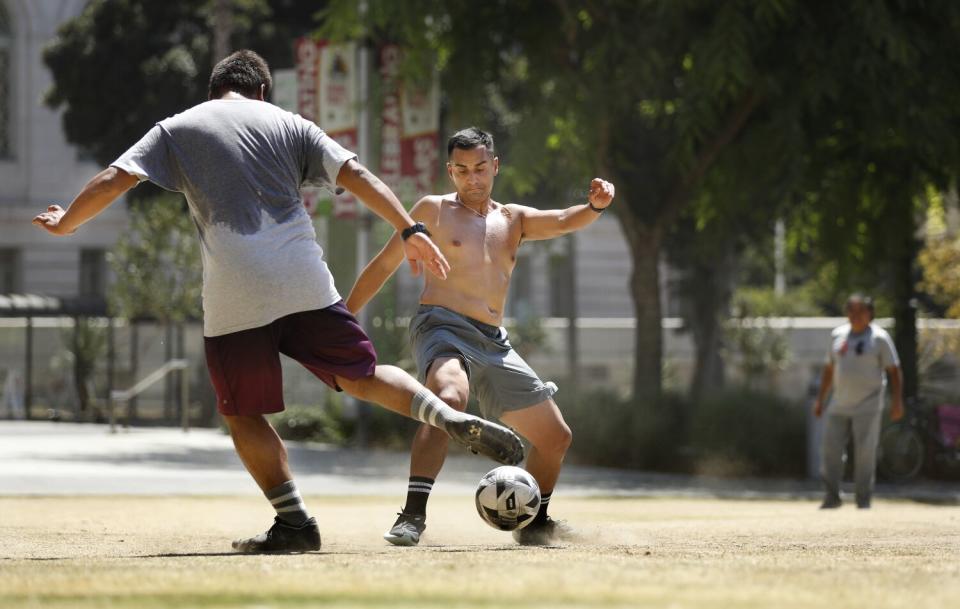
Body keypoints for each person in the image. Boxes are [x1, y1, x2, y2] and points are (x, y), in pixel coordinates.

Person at [32, 51, 523, 553]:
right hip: (303, 278)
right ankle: (445, 415)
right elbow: (358, 176)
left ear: (215, 89)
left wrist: (68, 221)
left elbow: (118, 177)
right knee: (361, 374)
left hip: (234, 293)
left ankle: (295, 523)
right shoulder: (291, 124)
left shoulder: (178, 126)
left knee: (243, 413)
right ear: (261, 91)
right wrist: (410, 228)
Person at [346, 127, 615, 546]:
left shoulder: (514, 219)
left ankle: (535, 522)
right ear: (450, 171)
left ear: (495, 166)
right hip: (441, 326)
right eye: (462, 170)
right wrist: (344, 317)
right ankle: (412, 516)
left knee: (556, 437)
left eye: (481, 169)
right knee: (448, 400)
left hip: (494, 342)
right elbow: (383, 266)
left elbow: (564, 220)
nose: (472, 178)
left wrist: (595, 206)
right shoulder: (431, 210)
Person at [813, 294, 903, 509]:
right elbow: (828, 369)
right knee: (830, 449)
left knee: (865, 452)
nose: (855, 315)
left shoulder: (879, 338)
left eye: (860, 311)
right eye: (851, 311)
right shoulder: (838, 335)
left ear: (870, 313)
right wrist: (820, 399)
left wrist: (897, 401)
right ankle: (832, 496)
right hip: (839, 403)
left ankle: (863, 499)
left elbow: (894, 371)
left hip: (868, 404)